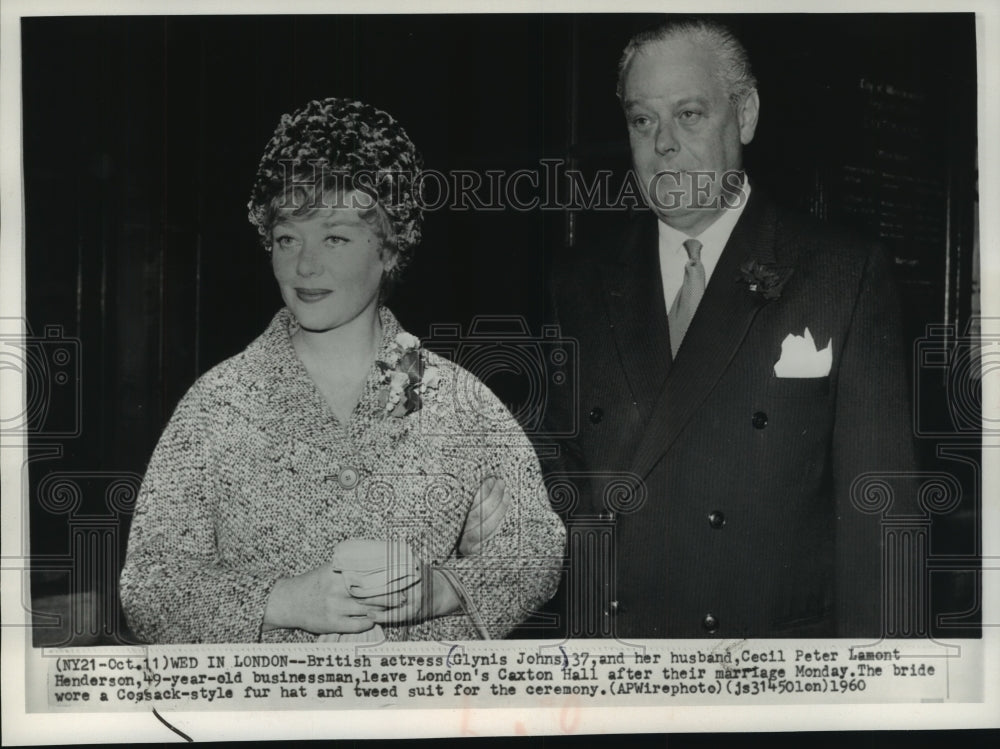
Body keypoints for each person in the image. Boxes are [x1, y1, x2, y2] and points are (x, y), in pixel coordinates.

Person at [119, 97, 565, 644]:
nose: (305, 265)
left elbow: (537, 546)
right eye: (287, 238)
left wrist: (444, 588)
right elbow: (149, 585)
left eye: (335, 237)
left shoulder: (455, 399)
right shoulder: (217, 404)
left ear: (391, 248)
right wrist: (282, 600)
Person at [544, 18, 919, 638]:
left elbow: (879, 515)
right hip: (618, 657)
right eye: (642, 120)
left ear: (743, 116)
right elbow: (558, 480)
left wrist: (877, 689)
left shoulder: (841, 272)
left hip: (766, 662)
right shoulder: (580, 280)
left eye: (688, 114)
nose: (662, 144)